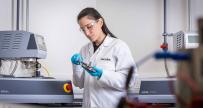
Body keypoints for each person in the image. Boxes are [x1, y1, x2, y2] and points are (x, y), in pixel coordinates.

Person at [71, 7, 137, 108]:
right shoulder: (84, 50)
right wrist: (76, 66)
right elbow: (79, 84)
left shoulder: (118, 46)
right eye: (83, 29)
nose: (87, 33)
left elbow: (130, 80)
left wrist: (103, 74)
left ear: (100, 22)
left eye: (89, 27)